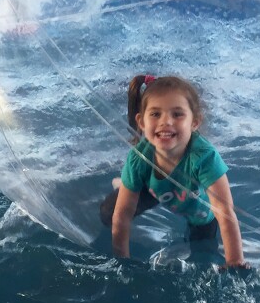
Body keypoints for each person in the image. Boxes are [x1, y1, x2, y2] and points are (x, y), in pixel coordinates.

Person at [100, 75, 249, 269]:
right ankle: (127, 185)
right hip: (155, 190)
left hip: (198, 208)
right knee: (108, 213)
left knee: (202, 253)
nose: (166, 122)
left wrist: (234, 261)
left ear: (194, 122)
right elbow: (122, 216)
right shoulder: (139, 158)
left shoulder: (204, 158)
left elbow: (225, 212)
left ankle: (128, 184)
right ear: (142, 122)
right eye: (155, 114)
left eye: (177, 114)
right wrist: (122, 262)